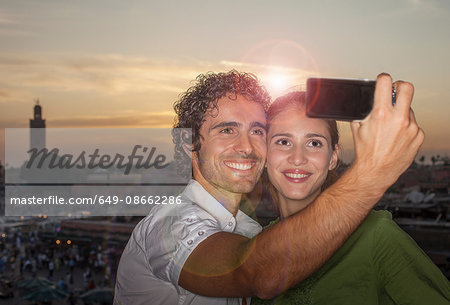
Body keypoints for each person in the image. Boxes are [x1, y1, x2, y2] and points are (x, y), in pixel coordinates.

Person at [114, 70, 424, 305]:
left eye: (257, 131)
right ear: (188, 143)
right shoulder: (168, 225)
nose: (247, 147)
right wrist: (372, 172)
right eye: (227, 130)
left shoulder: (253, 233)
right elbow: (250, 273)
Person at [252, 91, 450, 305]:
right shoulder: (257, 245)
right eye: (283, 142)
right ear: (264, 154)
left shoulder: (376, 235)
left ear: (333, 157)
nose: (298, 158)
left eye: (314, 143)